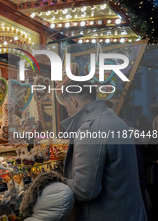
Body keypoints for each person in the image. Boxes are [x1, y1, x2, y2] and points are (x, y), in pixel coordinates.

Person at [59, 81, 147, 221]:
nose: (67, 112)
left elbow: (84, 190)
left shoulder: (90, 130)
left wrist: (57, 181)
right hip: (129, 212)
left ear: (73, 101)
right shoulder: (116, 121)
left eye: (65, 106)